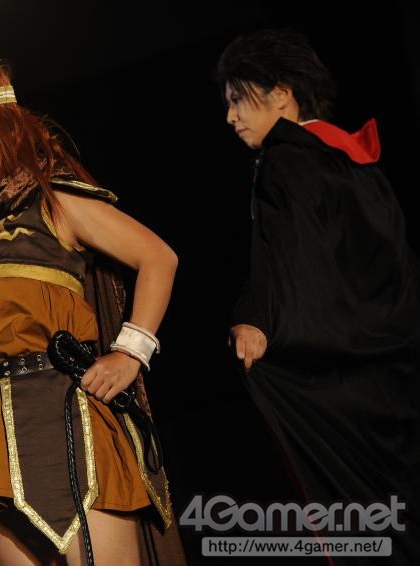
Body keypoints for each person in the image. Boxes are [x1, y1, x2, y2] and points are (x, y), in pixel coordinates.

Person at [0, 59, 186, 565]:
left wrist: (130, 353)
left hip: (63, 416)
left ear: (6, 122)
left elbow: (157, 258)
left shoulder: (52, 199)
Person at [217, 28, 420, 562]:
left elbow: (288, 256)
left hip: (345, 373)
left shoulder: (287, 160)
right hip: (398, 356)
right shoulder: (349, 155)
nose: (231, 117)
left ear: (282, 94)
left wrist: (256, 319)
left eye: (238, 99)